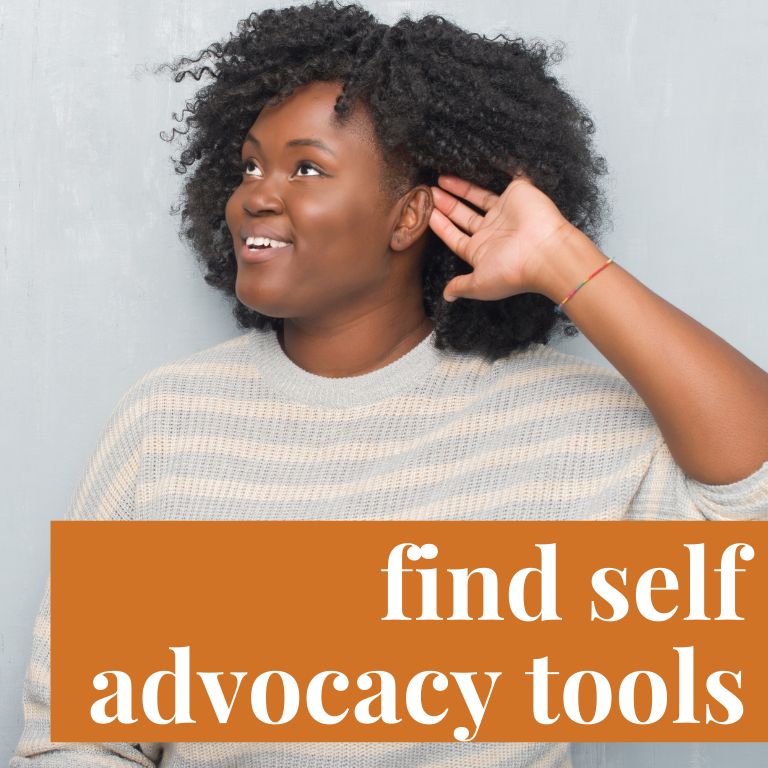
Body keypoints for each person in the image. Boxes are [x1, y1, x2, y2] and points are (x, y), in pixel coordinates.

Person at [11, 2, 768, 768]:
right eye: (249, 165)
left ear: (409, 216)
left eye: (305, 167)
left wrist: (565, 261)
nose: (255, 196)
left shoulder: (556, 423)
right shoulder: (170, 421)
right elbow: (80, 740)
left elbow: (750, 511)